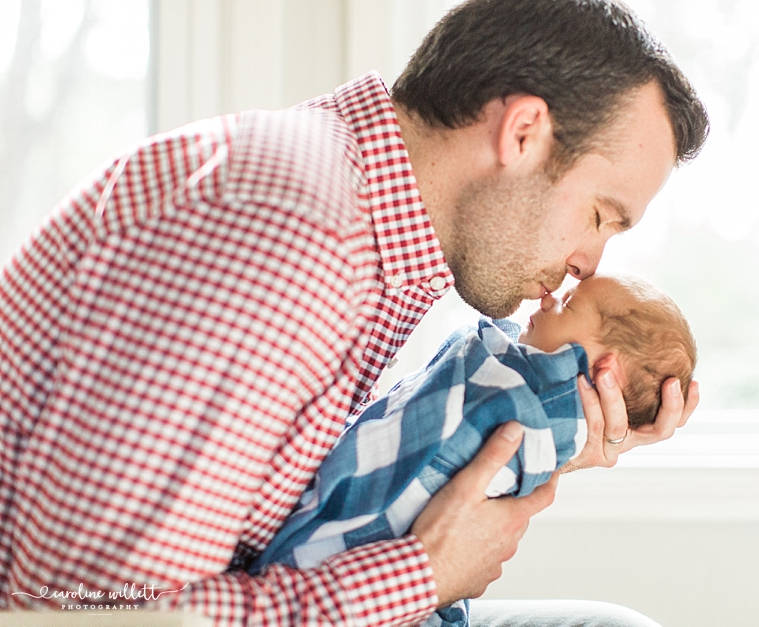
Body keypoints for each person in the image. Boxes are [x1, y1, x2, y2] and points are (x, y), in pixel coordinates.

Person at [0, 0, 708, 625]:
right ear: (522, 133)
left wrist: (536, 434)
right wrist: (420, 574)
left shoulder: (362, 214)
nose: (590, 261)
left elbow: (276, 508)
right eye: (599, 215)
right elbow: (84, 610)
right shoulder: (293, 241)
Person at [248, 274, 696, 627]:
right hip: (344, 585)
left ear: (605, 370)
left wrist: (581, 443)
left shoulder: (546, 406)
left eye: (570, 304)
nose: (549, 299)